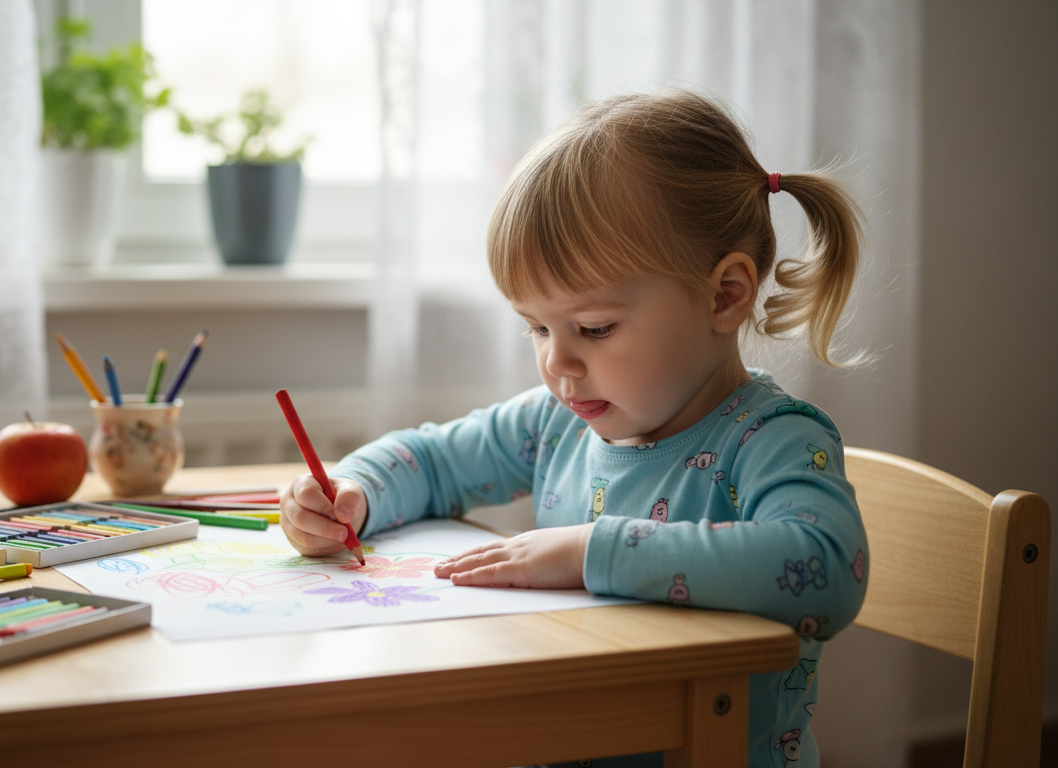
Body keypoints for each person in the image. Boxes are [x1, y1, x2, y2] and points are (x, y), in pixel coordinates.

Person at [280, 89, 868, 767]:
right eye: (535, 327)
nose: (556, 361)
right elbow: (435, 460)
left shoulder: (772, 440)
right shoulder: (557, 422)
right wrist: (355, 490)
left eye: (593, 328)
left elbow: (826, 569)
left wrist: (590, 551)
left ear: (725, 295)